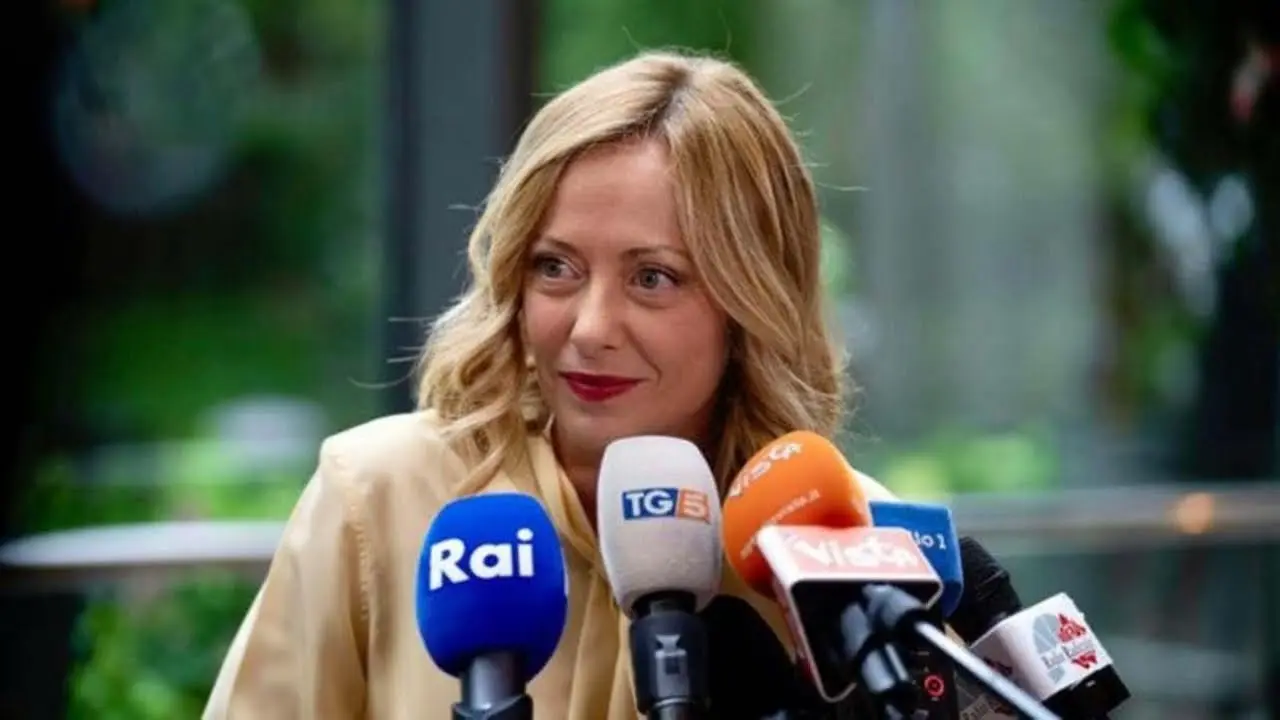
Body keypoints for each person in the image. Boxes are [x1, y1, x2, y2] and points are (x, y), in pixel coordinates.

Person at [203, 48, 897, 719]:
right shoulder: (377, 492)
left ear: (752, 302)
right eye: (555, 268)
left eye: (652, 278)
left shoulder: (838, 548)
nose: (590, 330)